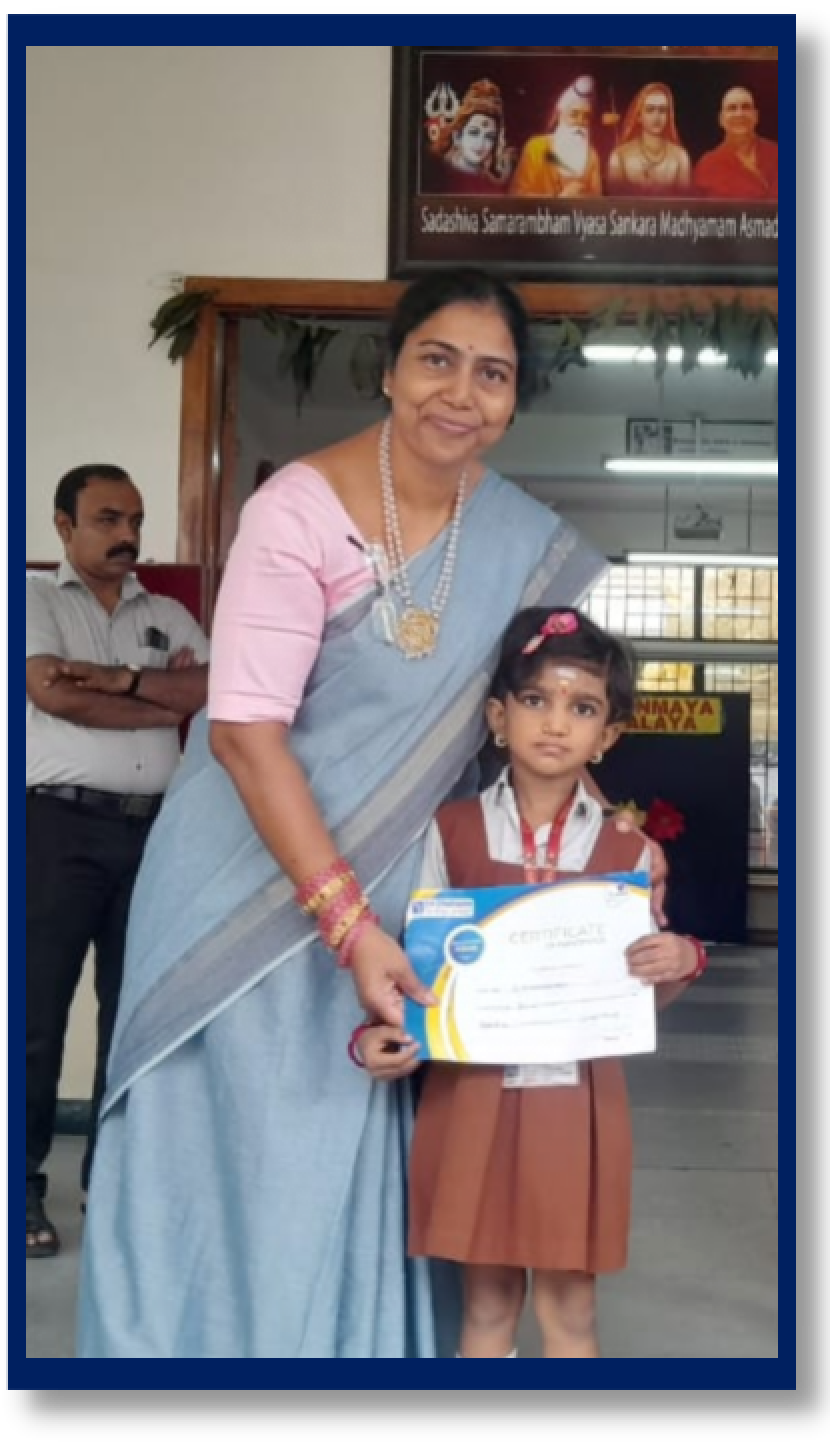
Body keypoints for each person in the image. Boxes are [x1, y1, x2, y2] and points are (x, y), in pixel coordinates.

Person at [78, 269, 663, 1359]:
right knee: (256, 1159)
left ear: (512, 398)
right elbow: (245, 736)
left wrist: (610, 854)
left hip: (407, 905)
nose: (461, 393)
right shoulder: (296, 511)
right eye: (436, 360)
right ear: (389, 370)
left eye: (492, 374)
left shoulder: (515, 537)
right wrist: (346, 928)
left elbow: (537, 719)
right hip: (247, 899)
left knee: (375, 1147)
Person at [358, 607, 706, 1359]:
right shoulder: (446, 830)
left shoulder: (628, 851)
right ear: (497, 716)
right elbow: (413, 966)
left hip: (575, 1101)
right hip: (470, 1096)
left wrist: (680, 959)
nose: (555, 723)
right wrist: (378, 1037)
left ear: (608, 734)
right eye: (535, 699)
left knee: (570, 1307)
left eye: (582, 708)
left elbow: (640, 994)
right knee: (485, 1304)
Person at [26, 465, 209, 1257]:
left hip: (154, 835)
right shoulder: (33, 599)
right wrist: (155, 701)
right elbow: (52, 694)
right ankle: (23, 1189)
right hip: (55, 829)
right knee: (35, 1017)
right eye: (107, 519)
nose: (127, 535)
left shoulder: (165, 612)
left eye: (134, 519)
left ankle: (114, 1182)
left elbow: (215, 693)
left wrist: (121, 680)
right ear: (64, 527)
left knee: (132, 1016)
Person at [509, 74, 602, 198]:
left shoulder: (591, 156)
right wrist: (559, 199)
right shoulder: (536, 147)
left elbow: (597, 200)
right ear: (559, 116)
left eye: (586, 117)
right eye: (574, 115)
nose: (580, 122)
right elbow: (517, 196)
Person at [428, 78, 515, 194]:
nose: (481, 144)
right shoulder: (438, 174)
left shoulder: (493, 181)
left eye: (489, 137)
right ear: (457, 136)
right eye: (474, 133)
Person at [693, 86, 778, 201]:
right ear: (721, 119)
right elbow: (700, 210)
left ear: (756, 116)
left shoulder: (776, 153)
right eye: (732, 108)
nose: (739, 114)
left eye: (746, 107)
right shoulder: (707, 165)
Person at [607, 83, 691, 197]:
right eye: (650, 110)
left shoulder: (680, 157)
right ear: (639, 116)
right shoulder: (619, 157)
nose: (657, 116)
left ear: (669, 116)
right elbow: (615, 203)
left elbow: (684, 202)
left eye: (662, 110)